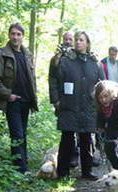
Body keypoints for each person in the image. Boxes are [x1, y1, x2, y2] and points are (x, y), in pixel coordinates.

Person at [49, 30, 105, 180]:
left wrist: (101, 105)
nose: (78, 42)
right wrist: (56, 100)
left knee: (87, 139)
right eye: (76, 40)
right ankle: (63, 172)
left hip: (88, 106)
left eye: (81, 40)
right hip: (68, 105)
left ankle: (87, 171)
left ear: (87, 43)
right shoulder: (64, 60)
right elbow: (53, 79)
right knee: (67, 139)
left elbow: (102, 85)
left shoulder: (95, 63)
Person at [0, 23, 38, 174]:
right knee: (17, 135)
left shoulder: (27, 54)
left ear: (23, 36)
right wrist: (8, 95)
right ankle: (20, 171)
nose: (15, 37)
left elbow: (32, 79)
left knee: (23, 135)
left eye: (18, 34)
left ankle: (23, 166)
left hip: (26, 101)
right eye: (13, 34)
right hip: (12, 102)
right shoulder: (1, 54)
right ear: (9, 35)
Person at [49, 31, 80, 168]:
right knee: (67, 132)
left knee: (82, 131)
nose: (68, 41)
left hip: (79, 99)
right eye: (66, 39)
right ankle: (66, 161)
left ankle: (80, 157)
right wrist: (55, 100)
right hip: (63, 99)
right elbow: (52, 80)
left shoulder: (79, 55)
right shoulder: (56, 58)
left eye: (70, 39)